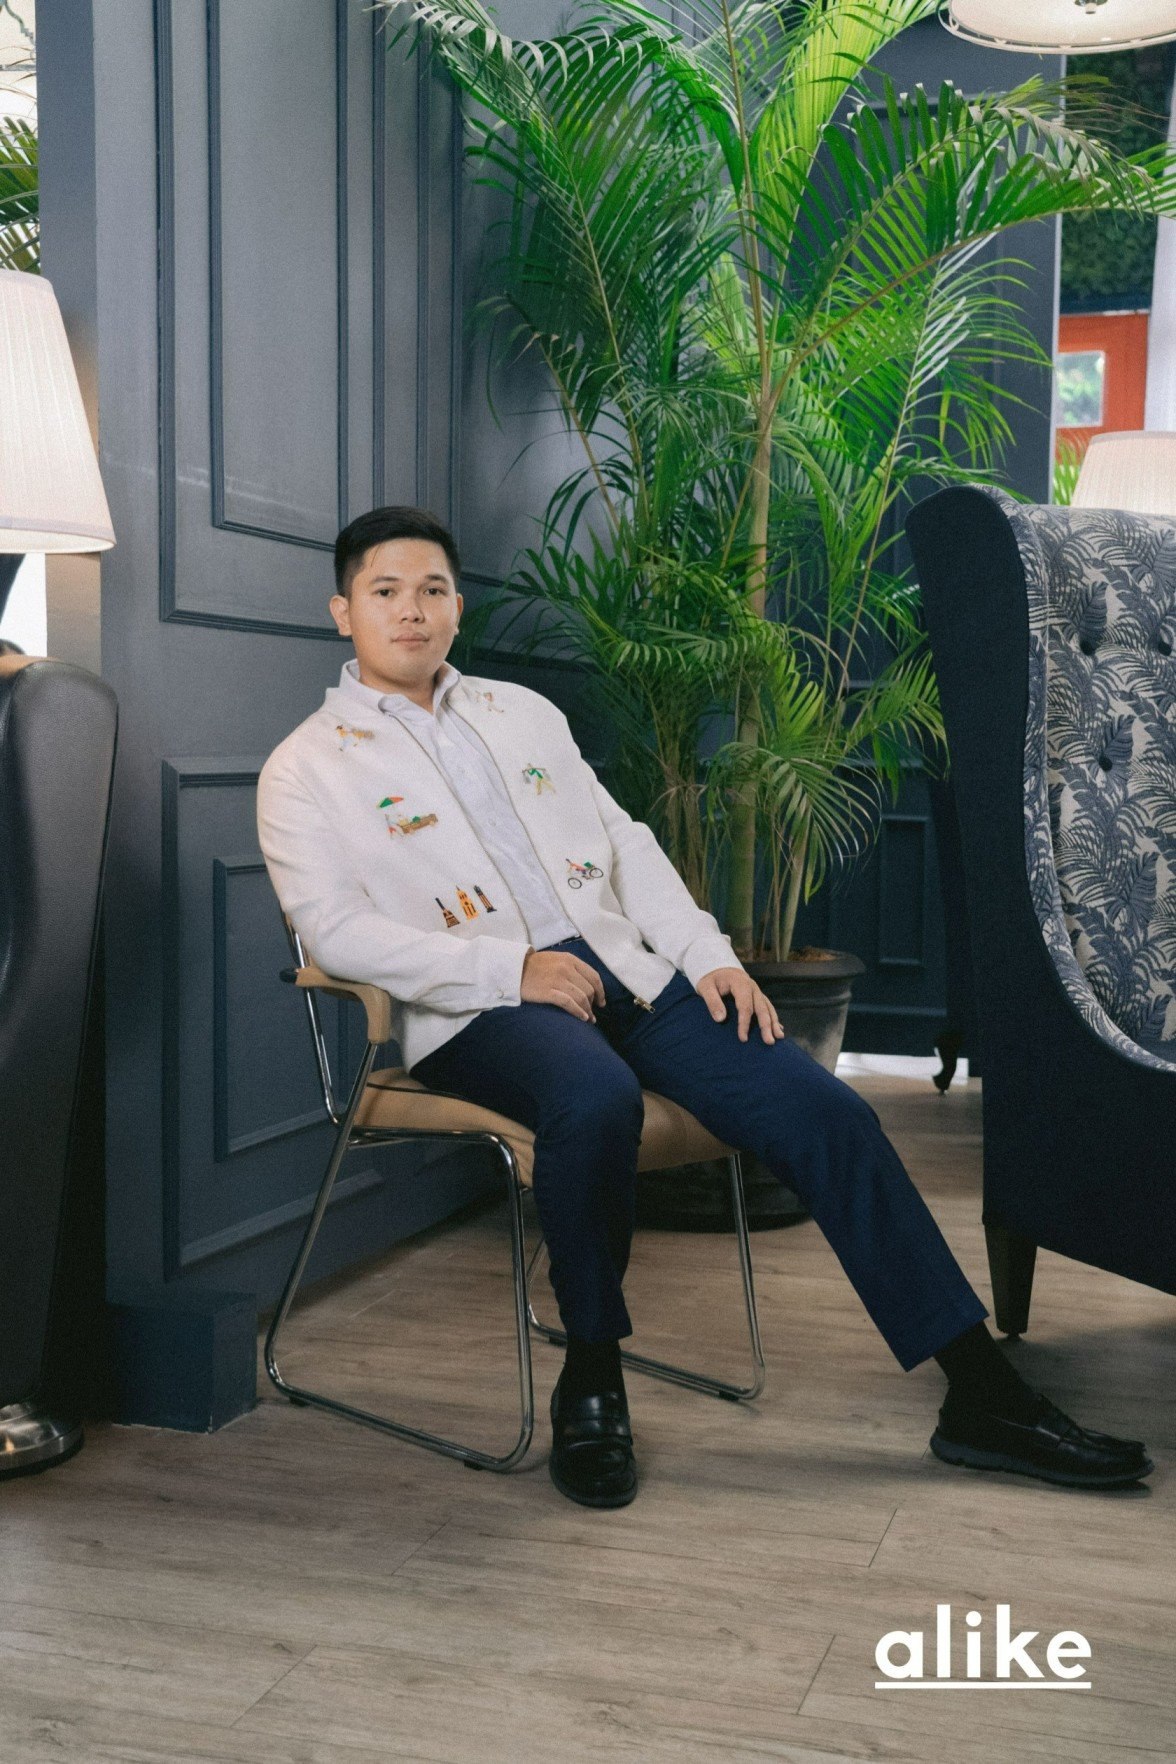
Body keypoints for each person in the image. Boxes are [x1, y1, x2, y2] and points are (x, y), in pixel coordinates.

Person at [256, 505, 1154, 1509]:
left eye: (432, 591)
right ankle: (592, 1377)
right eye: (385, 592)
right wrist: (512, 971)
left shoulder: (521, 714)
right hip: (476, 1010)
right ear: (344, 611)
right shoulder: (307, 767)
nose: (412, 611)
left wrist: (708, 956)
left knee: (825, 1110)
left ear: (458, 607)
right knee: (594, 1098)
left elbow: (625, 844)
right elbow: (336, 932)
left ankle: (981, 1394)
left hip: (624, 975)